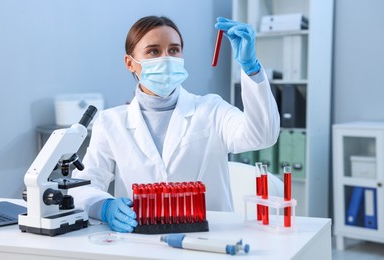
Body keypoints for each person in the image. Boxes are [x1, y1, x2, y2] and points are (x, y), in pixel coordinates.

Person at [68, 15, 280, 233]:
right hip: (139, 239)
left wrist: (251, 69)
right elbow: (85, 184)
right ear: (130, 63)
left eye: (174, 50)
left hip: (211, 240)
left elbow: (262, 134)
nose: (166, 58)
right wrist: (104, 207)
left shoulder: (212, 109)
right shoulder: (110, 122)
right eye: (153, 51)